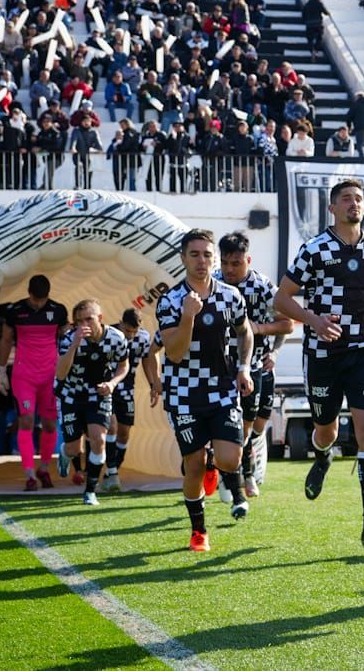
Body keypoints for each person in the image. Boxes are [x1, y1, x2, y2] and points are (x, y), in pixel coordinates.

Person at [274, 179, 364, 548]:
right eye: (347, 199)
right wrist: (314, 322)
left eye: (359, 199)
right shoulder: (313, 249)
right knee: (327, 431)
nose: (355, 204)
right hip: (323, 355)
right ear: (332, 208)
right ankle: (322, 458)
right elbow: (281, 299)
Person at [157, 229, 255, 552]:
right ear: (183, 257)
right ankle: (199, 531)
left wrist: (243, 368)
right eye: (195, 254)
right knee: (193, 465)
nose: (202, 261)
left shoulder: (231, 295)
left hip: (222, 389)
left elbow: (245, 332)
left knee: (230, 459)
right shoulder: (170, 300)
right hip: (184, 394)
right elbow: (173, 352)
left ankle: (218, 463)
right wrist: (188, 317)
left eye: (207, 255)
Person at [215, 232, 293, 499]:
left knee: (250, 425)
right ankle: (231, 475)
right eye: (225, 262)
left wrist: (262, 331)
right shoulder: (213, 282)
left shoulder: (262, 285)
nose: (229, 269)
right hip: (219, 368)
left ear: (247, 259)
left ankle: (246, 470)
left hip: (254, 366)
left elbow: (287, 323)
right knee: (224, 422)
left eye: (235, 263)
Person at [55, 299, 130, 506]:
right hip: (71, 394)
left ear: (100, 318)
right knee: (74, 449)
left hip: (98, 394)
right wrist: (74, 344)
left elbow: (124, 366)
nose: (84, 325)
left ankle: (90, 491)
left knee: (98, 440)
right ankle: (64, 453)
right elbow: (60, 373)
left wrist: (113, 383)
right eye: (79, 321)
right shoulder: (69, 339)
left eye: (88, 319)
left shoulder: (116, 338)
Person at [0, 275, 68, 491]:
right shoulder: (15, 310)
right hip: (24, 376)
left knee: (49, 424)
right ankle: (29, 474)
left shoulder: (58, 310)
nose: (39, 304)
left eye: (42, 300)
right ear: (29, 293)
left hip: (50, 375)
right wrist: (1, 369)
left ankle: (44, 468)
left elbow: (67, 338)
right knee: (27, 421)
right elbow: (6, 340)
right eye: (36, 300)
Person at [101, 308, 162, 493]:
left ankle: (113, 470)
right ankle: (111, 473)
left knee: (124, 433)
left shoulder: (142, 338)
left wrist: (154, 384)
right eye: (128, 330)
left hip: (127, 390)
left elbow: (149, 358)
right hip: (108, 387)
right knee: (111, 426)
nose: (130, 335)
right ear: (120, 323)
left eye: (134, 331)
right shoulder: (109, 335)